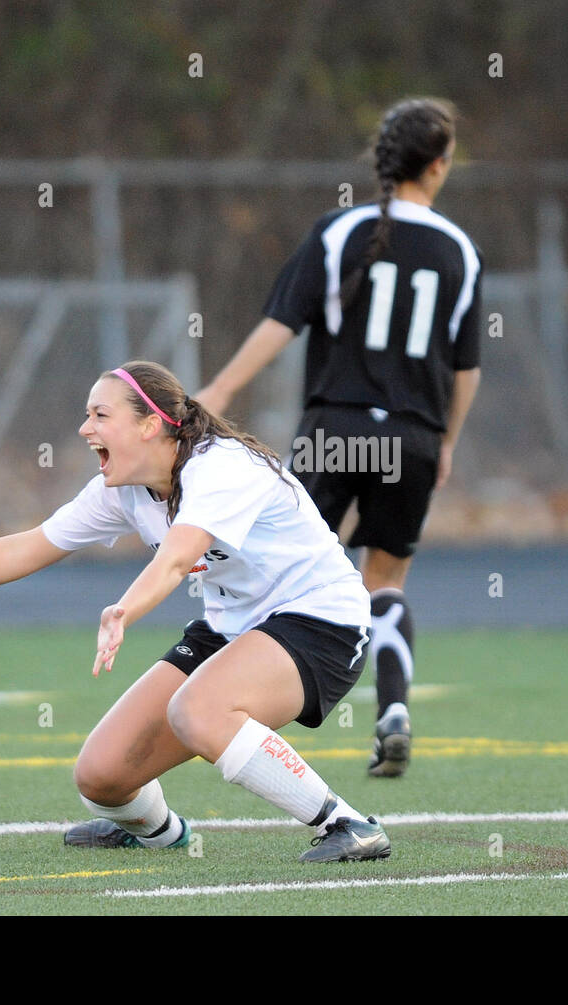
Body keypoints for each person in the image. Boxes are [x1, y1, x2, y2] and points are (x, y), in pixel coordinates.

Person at [0, 360, 390, 863]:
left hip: (324, 623)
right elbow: (28, 546)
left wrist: (123, 610)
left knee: (198, 711)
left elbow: (177, 559)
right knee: (101, 778)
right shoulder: (122, 488)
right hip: (235, 627)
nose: (85, 429)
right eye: (86, 416)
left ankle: (348, 824)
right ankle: (161, 834)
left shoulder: (221, 466)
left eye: (100, 415)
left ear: (150, 424)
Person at [195, 97, 483, 778]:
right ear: (439, 166)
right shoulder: (459, 250)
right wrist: (445, 441)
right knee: (383, 581)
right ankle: (393, 710)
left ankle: (225, 700)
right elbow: (466, 370)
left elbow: (280, 324)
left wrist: (222, 390)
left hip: (334, 431)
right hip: (412, 436)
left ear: (381, 160)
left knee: (275, 569)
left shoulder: (338, 231)